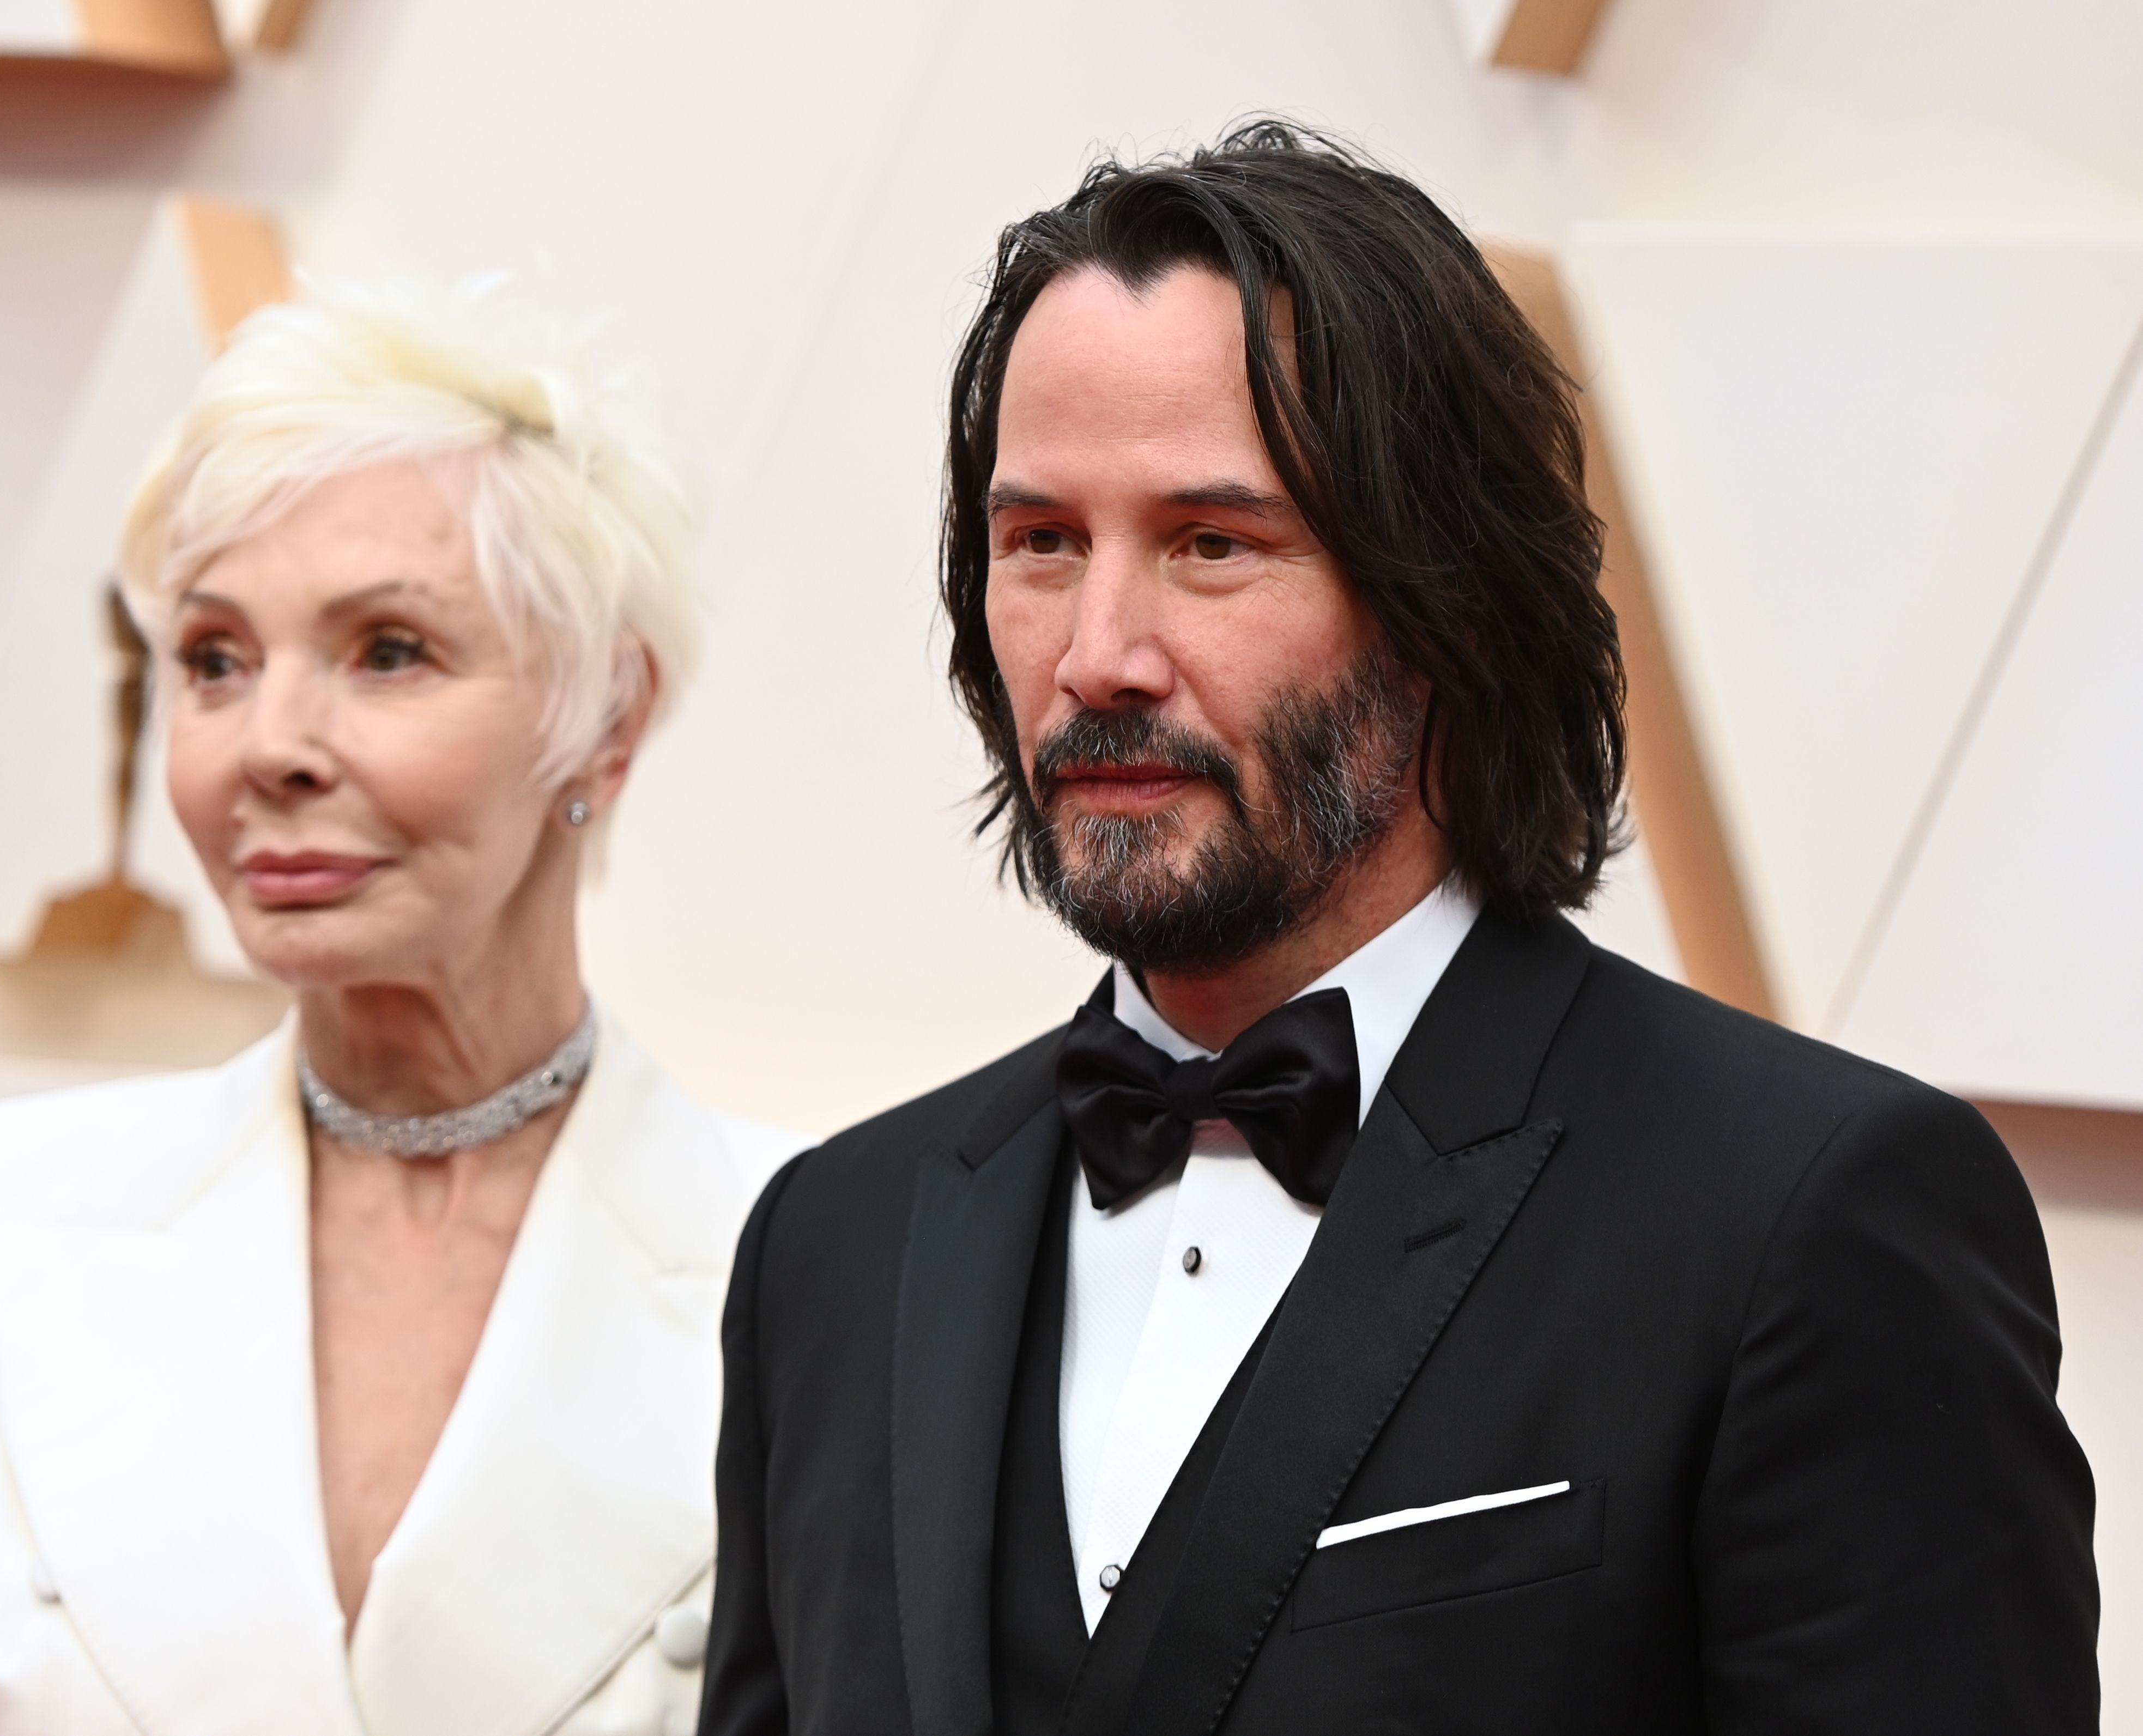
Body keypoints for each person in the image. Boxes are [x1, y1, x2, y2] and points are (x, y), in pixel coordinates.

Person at [698, 119, 2097, 1735]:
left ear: (1450, 608)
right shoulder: (830, 1245)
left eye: (1212, 543)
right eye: (1042, 545)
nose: (1097, 655)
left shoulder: (1807, 1216)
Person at [0, 279, 800, 1736]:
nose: (268, 746)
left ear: (609, 717)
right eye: (213, 659)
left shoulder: (818, 1261)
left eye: (389, 649)